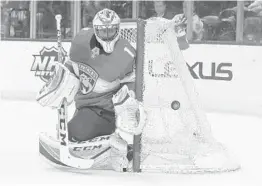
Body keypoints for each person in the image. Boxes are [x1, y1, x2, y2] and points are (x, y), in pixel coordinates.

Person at [37, 8, 143, 171]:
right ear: (95, 29)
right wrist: (61, 80)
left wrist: (127, 96)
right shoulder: (81, 42)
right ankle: (109, 145)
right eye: (103, 30)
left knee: (72, 134)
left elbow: (133, 83)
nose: (107, 34)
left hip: (104, 112)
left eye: (111, 30)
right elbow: (72, 68)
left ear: (118, 29)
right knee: (64, 133)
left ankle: (115, 147)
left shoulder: (126, 52)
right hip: (84, 108)